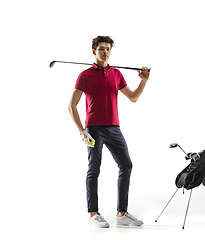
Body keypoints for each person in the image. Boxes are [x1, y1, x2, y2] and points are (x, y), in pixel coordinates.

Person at [68, 36, 150, 228]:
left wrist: (144, 81)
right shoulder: (85, 75)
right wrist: (82, 131)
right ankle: (94, 213)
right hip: (94, 129)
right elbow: (71, 106)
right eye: (101, 49)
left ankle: (121, 213)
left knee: (126, 165)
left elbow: (133, 98)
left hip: (114, 128)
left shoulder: (116, 74)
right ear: (94, 51)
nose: (105, 52)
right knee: (94, 169)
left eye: (108, 49)